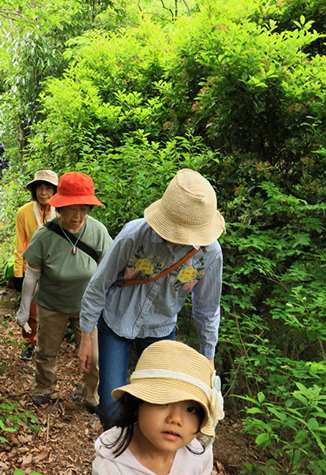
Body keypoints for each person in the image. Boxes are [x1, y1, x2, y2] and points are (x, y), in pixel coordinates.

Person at [79, 169, 225, 429]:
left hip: (161, 328)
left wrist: (208, 357)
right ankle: (117, 453)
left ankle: (143, 453)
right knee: (110, 404)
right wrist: (86, 336)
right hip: (116, 322)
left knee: (159, 403)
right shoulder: (134, 235)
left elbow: (207, 309)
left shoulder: (210, 254)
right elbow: (98, 285)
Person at [15, 172, 113, 408]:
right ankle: (44, 387)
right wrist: (24, 309)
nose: (77, 215)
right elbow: (32, 275)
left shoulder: (98, 232)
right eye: (71, 208)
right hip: (51, 304)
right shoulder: (44, 236)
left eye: (83, 207)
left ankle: (90, 394)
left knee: (95, 356)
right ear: (59, 207)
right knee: (46, 351)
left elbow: (106, 274)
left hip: (86, 308)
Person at [92, 340, 224, 475]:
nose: (176, 419)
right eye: (162, 401)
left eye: (191, 409)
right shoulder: (110, 467)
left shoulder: (199, 454)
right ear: (137, 403)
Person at [12, 170, 59, 360]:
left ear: (55, 191)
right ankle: (29, 343)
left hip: (56, 269)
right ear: (34, 190)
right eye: (40, 188)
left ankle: (49, 345)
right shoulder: (24, 212)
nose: (44, 192)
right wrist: (17, 271)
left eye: (48, 188)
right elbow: (19, 243)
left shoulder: (62, 212)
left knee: (53, 310)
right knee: (29, 310)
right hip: (30, 268)